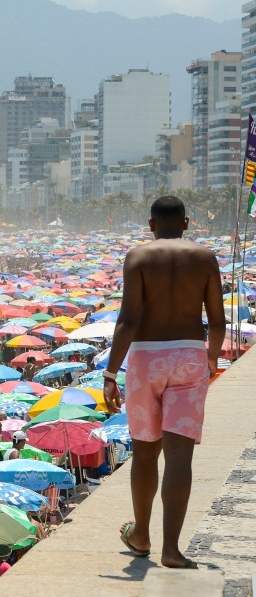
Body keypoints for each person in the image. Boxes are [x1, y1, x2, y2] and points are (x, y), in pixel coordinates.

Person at [110, 195, 225, 569]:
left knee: (145, 452)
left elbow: (127, 320)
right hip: (190, 355)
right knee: (179, 456)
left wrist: (111, 372)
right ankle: (171, 550)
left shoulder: (138, 258)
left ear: (151, 225)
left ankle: (141, 534)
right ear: (187, 223)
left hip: (146, 357)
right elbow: (218, 320)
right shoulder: (205, 258)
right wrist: (210, 357)